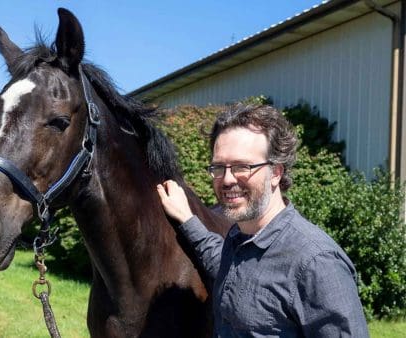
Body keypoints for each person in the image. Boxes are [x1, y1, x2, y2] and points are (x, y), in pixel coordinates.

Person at [156, 104, 369, 337]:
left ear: (276, 173)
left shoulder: (316, 263)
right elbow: (220, 264)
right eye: (219, 167)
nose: (227, 180)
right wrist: (186, 217)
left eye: (242, 166)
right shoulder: (238, 241)